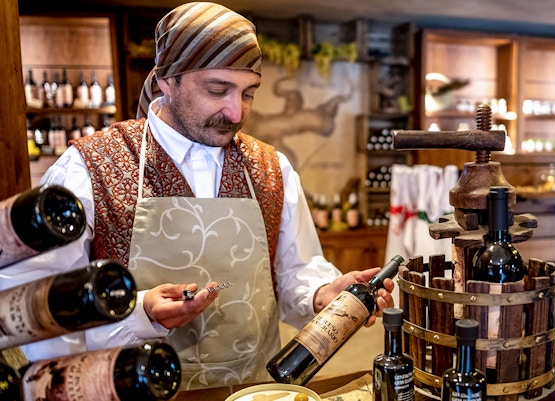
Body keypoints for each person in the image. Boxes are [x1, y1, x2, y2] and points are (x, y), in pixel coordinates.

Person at [4, 2, 394, 391]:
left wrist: (321, 293)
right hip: (130, 388)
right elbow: (41, 309)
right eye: (217, 89)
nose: (236, 111)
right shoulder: (89, 168)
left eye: (249, 93)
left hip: (253, 391)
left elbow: (293, 272)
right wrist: (140, 312)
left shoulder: (271, 168)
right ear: (165, 80)